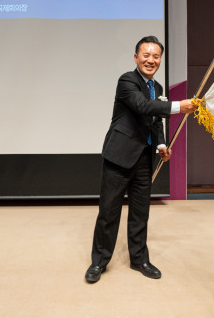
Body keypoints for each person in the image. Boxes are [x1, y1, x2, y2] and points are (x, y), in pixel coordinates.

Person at [85, 35, 197, 283]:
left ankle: (139, 259)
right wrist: (180, 106)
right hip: (119, 157)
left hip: (144, 160)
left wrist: (160, 145)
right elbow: (144, 107)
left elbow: (155, 121)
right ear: (136, 58)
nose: (151, 60)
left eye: (156, 56)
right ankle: (99, 262)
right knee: (108, 212)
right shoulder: (127, 81)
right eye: (146, 55)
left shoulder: (157, 88)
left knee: (140, 213)